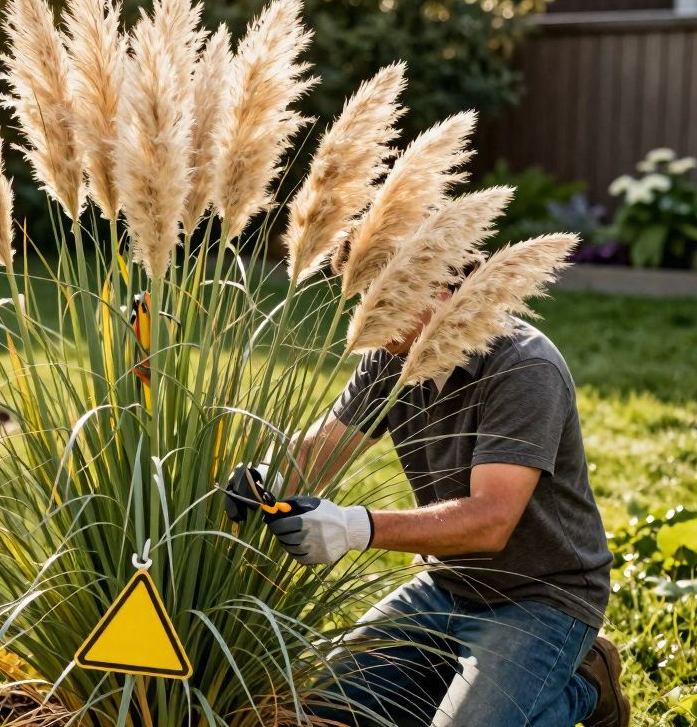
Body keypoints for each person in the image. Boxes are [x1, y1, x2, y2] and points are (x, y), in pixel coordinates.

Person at [226, 295, 628, 726]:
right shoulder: (393, 352)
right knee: (308, 712)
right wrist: (266, 475)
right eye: (366, 295)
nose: (372, 310)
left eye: (390, 293)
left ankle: (582, 688)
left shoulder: (526, 366)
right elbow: (323, 447)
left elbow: (491, 521)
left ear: (441, 284)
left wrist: (352, 527)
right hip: (444, 584)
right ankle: (452, 687)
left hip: (540, 597)